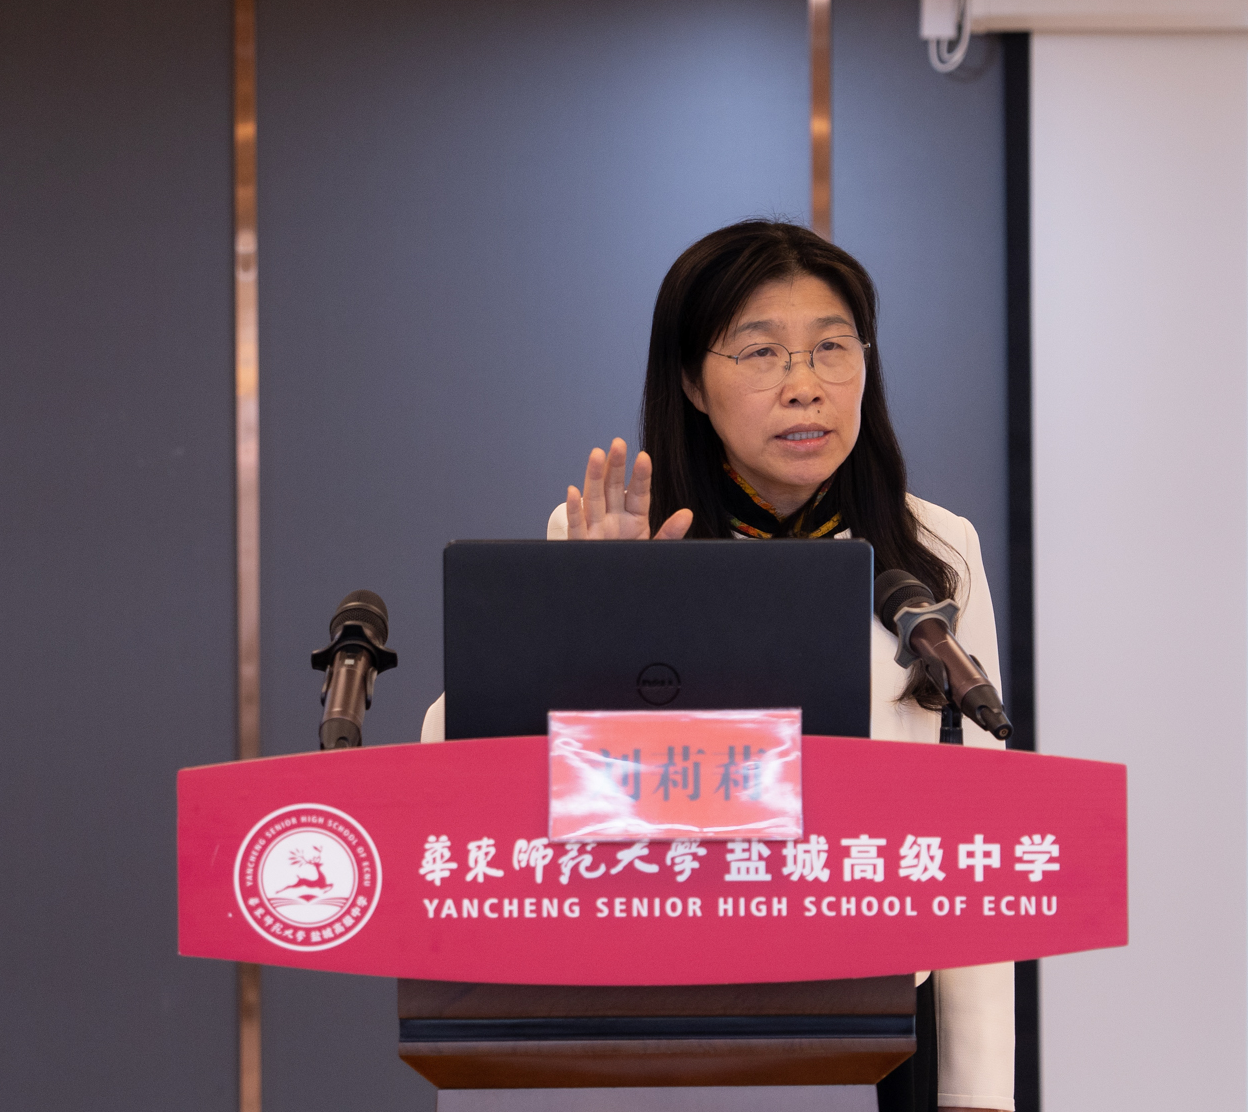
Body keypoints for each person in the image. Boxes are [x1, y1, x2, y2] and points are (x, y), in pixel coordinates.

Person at [420, 219, 1013, 1112]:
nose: (805, 385)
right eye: (762, 352)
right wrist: (589, 608)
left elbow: (977, 834)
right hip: (665, 1007)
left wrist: (979, 1093)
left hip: (877, 1018)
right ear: (693, 382)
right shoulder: (611, 537)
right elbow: (461, 755)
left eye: (832, 348)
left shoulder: (936, 548)